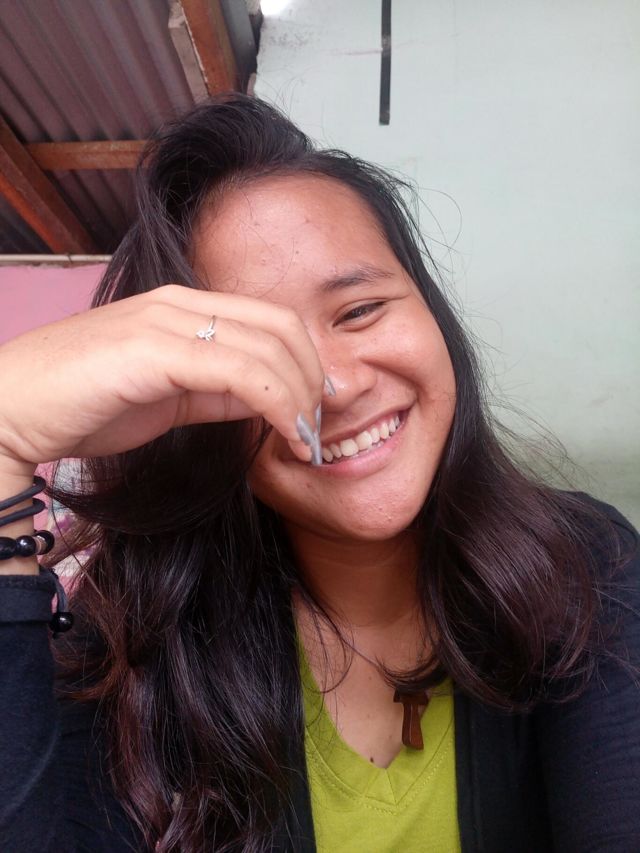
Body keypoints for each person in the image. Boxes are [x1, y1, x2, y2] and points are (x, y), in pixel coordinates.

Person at [0, 94, 638, 853]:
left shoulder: (587, 562)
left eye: (360, 310)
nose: (332, 387)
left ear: (433, 314)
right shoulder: (134, 643)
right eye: (252, 350)